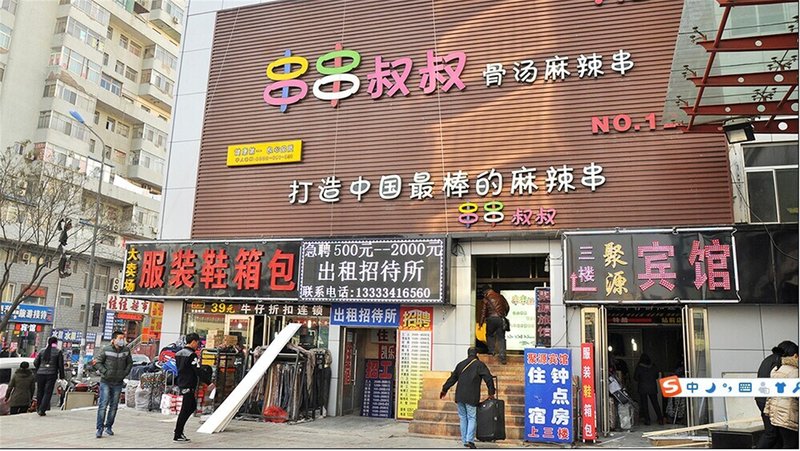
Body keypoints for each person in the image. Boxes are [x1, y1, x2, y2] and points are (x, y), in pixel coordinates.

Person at [440, 347, 496, 449]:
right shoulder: (479, 365)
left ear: (468, 354)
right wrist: (491, 392)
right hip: (471, 396)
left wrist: (444, 389)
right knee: (471, 417)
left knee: (463, 418)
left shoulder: (460, 364)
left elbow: (452, 379)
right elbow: (488, 378)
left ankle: (465, 440)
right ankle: (469, 440)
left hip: (460, 396)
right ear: (476, 355)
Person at [94, 331, 133, 438]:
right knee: (103, 405)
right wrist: (105, 372)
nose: (122, 340)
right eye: (120, 338)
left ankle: (109, 427)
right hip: (106, 381)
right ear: (114, 339)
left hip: (118, 382)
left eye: (123, 338)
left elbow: (130, 363)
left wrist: (125, 373)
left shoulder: (126, 350)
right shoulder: (106, 349)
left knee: (114, 406)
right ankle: (99, 428)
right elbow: (97, 362)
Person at [764, 341, 798, 449]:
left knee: (782, 443)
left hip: (777, 415)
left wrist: (767, 410)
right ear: (795, 355)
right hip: (788, 415)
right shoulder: (794, 372)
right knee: (790, 445)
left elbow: (771, 395)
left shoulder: (776, 371)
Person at [756, 342, 789, 448]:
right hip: (770, 401)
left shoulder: (768, 359)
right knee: (772, 433)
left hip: (762, 399)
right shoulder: (779, 362)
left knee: (775, 434)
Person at [174, 333, 203, 442]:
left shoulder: (178, 353)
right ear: (193, 341)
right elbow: (197, 370)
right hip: (188, 384)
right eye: (197, 342)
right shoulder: (192, 355)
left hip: (182, 382)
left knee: (190, 407)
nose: (198, 345)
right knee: (186, 409)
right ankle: (178, 433)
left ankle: (179, 431)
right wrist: (208, 382)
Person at [33, 336, 65, 416]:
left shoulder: (42, 351)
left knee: (40, 391)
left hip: (40, 374)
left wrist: (39, 369)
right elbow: (61, 365)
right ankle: (42, 409)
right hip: (51, 374)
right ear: (56, 343)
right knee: (48, 392)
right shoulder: (58, 352)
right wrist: (62, 376)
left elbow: (35, 362)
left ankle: (38, 408)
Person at [478, 288, 509, 365]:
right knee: (501, 338)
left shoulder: (486, 299)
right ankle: (502, 356)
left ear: (486, 293)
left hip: (491, 319)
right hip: (500, 319)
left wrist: (481, 323)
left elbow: (483, 312)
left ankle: (491, 352)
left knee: (489, 335)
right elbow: (507, 307)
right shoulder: (501, 297)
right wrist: (503, 314)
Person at [634, 353, 663, 426]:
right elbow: (656, 376)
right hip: (652, 387)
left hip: (642, 387)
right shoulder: (653, 366)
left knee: (644, 404)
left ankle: (647, 420)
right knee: (655, 403)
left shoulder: (639, 367)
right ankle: (660, 419)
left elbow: (635, 377)